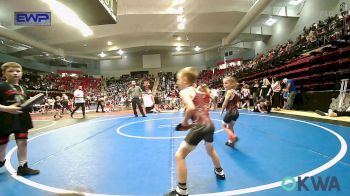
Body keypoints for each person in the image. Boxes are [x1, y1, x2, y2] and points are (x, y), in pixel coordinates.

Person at [166, 67, 225, 196]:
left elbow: (191, 108)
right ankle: (220, 171)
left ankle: (181, 190)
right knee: (210, 150)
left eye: (178, 79)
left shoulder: (184, 91)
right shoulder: (196, 90)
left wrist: (184, 122)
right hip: (209, 125)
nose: (177, 82)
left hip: (200, 126)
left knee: (179, 155)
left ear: (185, 79)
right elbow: (200, 109)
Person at [0, 62, 39, 176]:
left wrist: (30, 104)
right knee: (2, 144)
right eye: (11, 71)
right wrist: (7, 108)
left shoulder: (24, 88)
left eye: (18, 71)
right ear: (4, 73)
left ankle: (23, 166)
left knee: (23, 143)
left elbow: (24, 103)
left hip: (22, 119)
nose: (15, 73)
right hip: (4, 119)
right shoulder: (1, 86)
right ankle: (0, 160)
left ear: (21, 73)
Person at [220, 76, 240, 148]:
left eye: (226, 83)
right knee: (230, 127)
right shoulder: (235, 91)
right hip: (236, 113)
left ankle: (233, 136)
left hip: (230, 112)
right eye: (223, 83)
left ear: (231, 84)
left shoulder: (229, 92)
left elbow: (225, 103)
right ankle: (231, 142)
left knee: (224, 126)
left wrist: (221, 111)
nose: (224, 85)